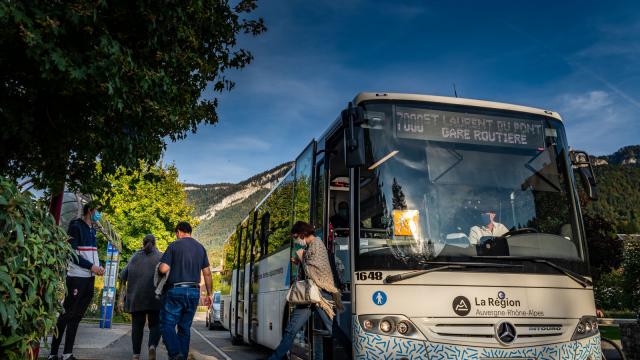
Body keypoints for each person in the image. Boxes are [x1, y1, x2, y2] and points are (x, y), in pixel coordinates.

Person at [267, 221, 352, 360]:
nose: (296, 240)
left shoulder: (317, 244)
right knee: (291, 330)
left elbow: (315, 271)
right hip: (307, 295)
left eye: (296, 237)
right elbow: (309, 265)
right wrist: (301, 260)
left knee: (333, 329)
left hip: (322, 294)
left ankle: (354, 354)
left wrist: (301, 258)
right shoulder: (310, 247)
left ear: (303, 234)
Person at [48, 202, 105, 360]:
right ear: (90, 211)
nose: (99, 215)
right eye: (98, 211)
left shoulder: (93, 230)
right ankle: (53, 353)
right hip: (76, 277)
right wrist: (91, 266)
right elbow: (71, 254)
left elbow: (91, 253)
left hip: (89, 279)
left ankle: (67, 353)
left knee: (77, 316)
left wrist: (98, 267)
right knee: (67, 314)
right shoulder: (76, 226)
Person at [158, 222, 212, 360]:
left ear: (179, 231)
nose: (176, 236)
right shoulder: (201, 248)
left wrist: (159, 268)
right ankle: (181, 357)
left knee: (167, 324)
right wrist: (210, 294)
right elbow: (207, 273)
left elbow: (163, 269)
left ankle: (176, 354)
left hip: (176, 290)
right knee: (184, 328)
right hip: (194, 292)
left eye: (176, 233)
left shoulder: (174, 245)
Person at [118, 234, 163, 360]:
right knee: (156, 324)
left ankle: (136, 354)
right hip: (155, 298)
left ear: (143, 244)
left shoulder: (134, 257)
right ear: (154, 244)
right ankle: (152, 346)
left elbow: (122, 276)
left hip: (136, 298)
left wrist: (120, 299)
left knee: (137, 327)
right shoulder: (161, 256)